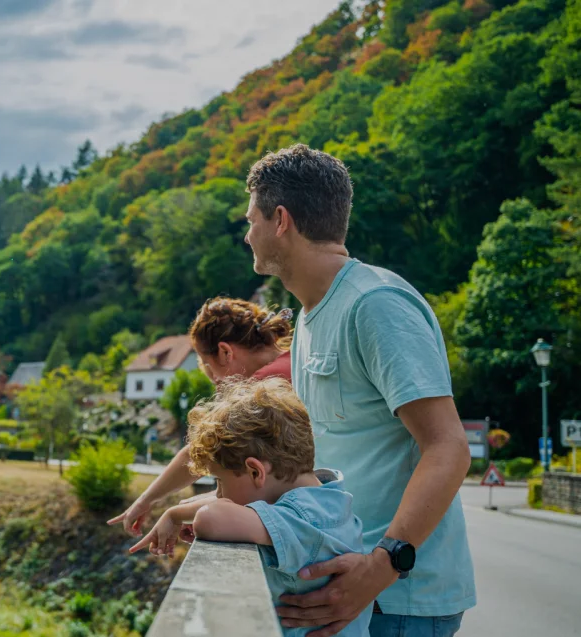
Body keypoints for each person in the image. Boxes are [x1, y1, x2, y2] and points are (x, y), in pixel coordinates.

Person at [242, 144, 474, 637]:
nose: (248, 235)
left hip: (397, 602)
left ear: (280, 220)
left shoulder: (375, 304)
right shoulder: (307, 317)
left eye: (252, 220)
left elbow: (448, 448)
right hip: (349, 596)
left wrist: (381, 566)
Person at [129, 377, 372, 637]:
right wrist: (175, 513)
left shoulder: (304, 518)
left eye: (220, 482)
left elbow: (210, 519)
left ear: (255, 472)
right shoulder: (328, 497)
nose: (218, 494)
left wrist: (181, 513)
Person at [108, 297, 293, 535]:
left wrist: (146, 500)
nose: (217, 386)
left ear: (225, 352)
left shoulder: (263, 387)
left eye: (212, 370)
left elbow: (204, 450)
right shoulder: (293, 362)